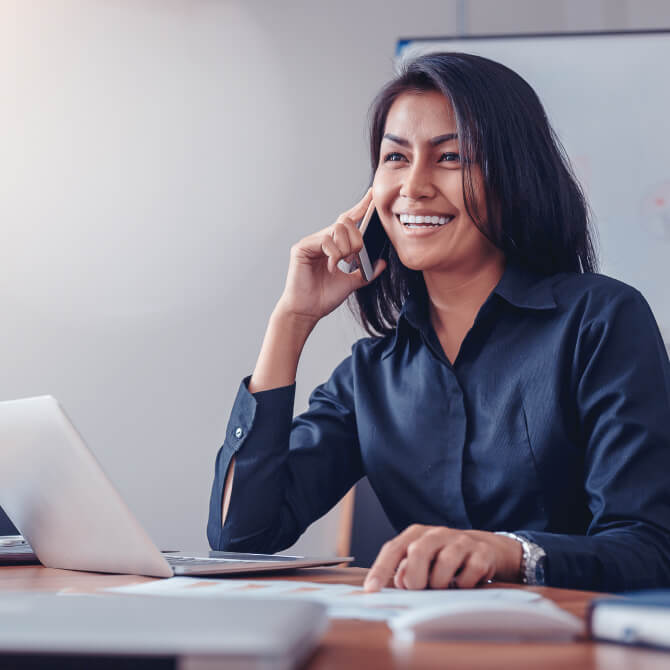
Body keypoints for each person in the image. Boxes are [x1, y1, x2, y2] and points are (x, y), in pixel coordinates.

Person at [207, 52, 670, 593]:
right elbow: (240, 536)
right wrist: (291, 319)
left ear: (512, 177)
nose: (414, 186)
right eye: (395, 158)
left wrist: (508, 552)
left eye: (451, 158)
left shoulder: (600, 322)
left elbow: (650, 546)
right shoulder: (371, 374)